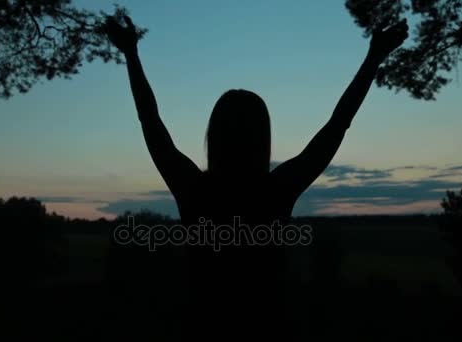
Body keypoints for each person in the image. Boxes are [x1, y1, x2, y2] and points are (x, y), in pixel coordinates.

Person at [105, 15, 408, 341]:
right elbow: (339, 123)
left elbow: (149, 121)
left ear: (215, 136)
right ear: (262, 137)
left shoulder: (193, 187)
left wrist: (131, 54)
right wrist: (373, 58)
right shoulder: (277, 189)